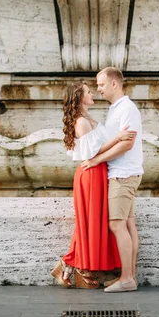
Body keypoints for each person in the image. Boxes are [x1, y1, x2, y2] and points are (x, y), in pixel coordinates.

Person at [51, 81, 137, 289]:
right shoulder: (81, 121)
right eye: (89, 92)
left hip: (97, 172)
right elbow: (92, 153)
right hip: (91, 174)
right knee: (88, 223)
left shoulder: (87, 118)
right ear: (80, 97)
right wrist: (119, 138)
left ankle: (77, 267)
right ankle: (68, 263)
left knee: (94, 223)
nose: (93, 94)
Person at [81, 67, 143, 293]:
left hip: (123, 174)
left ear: (114, 84)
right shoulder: (116, 109)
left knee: (117, 224)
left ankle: (126, 278)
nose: (98, 89)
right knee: (127, 223)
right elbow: (117, 139)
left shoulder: (127, 108)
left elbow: (127, 144)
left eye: (101, 85)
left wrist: (97, 160)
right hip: (124, 173)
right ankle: (130, 277)